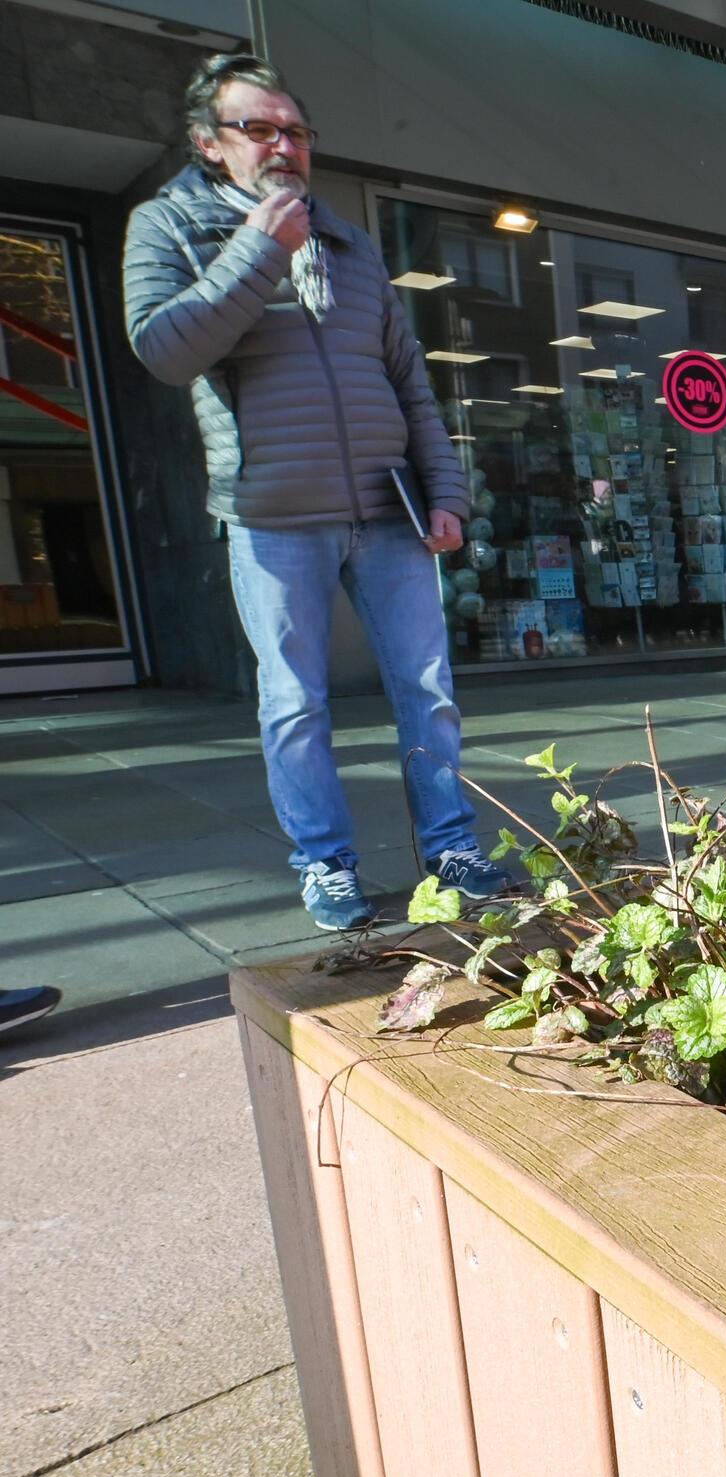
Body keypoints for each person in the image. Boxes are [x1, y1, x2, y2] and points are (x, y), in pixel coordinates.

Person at [123, 52, 510, 932]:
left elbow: (408, 380)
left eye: (295, 131)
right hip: (270, 514)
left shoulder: (350, 243)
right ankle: (326, 865)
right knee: (295, 700)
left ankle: (452, 847)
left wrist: (445, 490)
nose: (283, 146)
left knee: (430, 689)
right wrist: (261, 247)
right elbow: (163, 349)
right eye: (259, 129)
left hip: (388, 509)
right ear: (209, 144)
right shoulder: (169, 225)